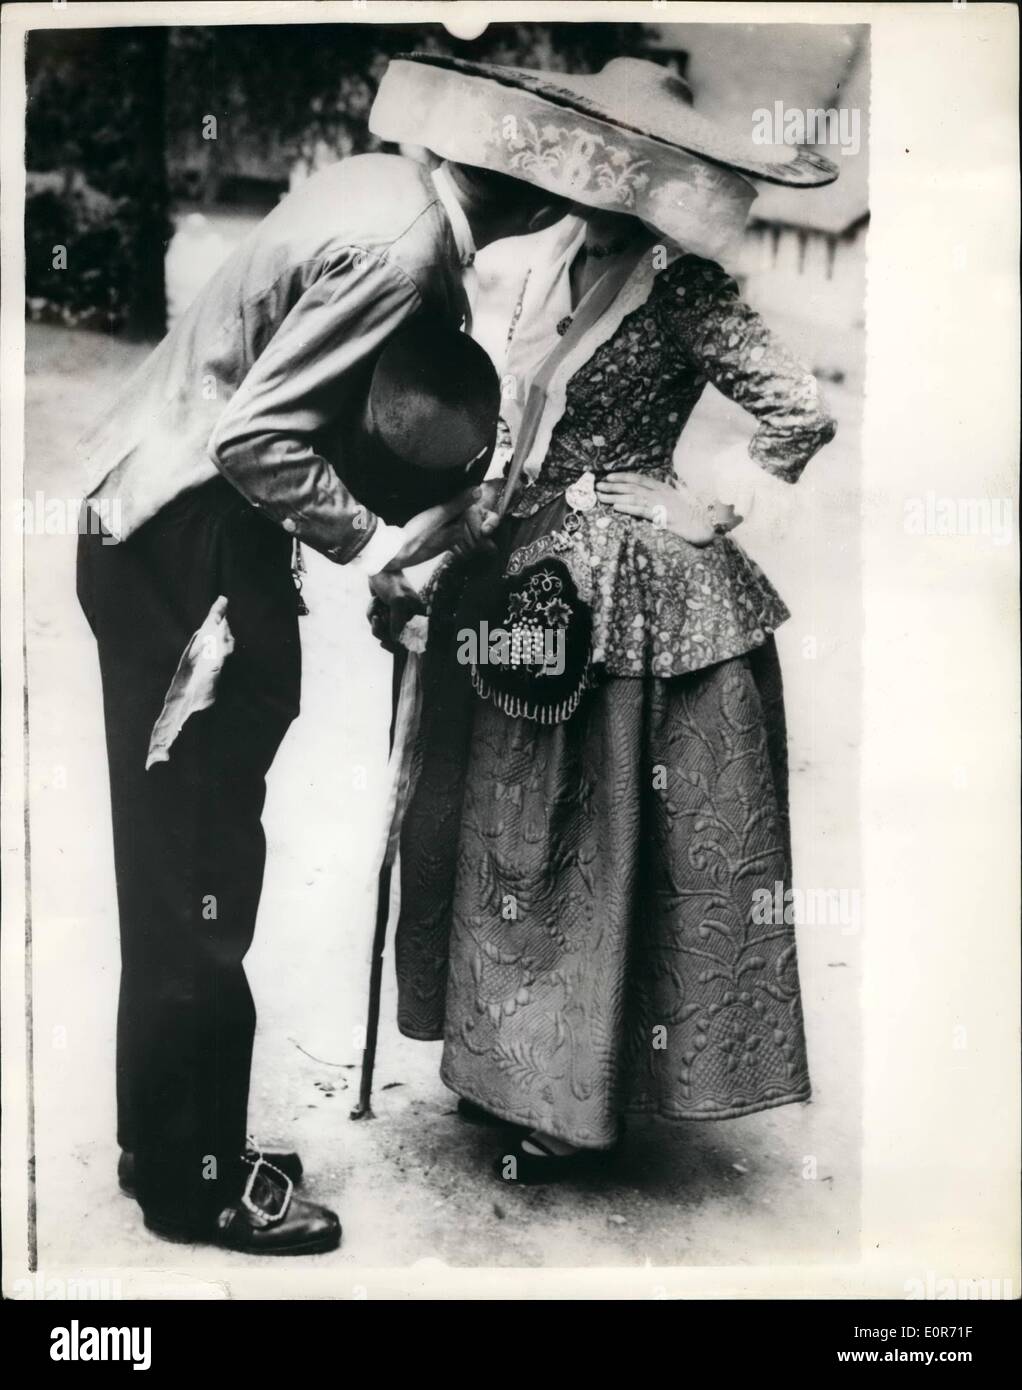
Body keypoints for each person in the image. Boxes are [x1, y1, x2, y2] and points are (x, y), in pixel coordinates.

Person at [75, 54, 569, 1253]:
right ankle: (197, 1182)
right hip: (193, 551)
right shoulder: (405, 254)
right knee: (201, 874)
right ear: (525, 195)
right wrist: (377, 542)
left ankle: (164, 1140)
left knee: (175, 862)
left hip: (149, 526)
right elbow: (258, 437)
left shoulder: (376, 185)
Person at [376, 55, 840, 1181]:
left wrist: (703, 504)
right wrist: (422, 549)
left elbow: (800, 409)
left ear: (654, 174)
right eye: (587, 150)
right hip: (525, 570)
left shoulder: (682, 288)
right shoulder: (544, 265)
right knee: (513, 830)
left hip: (631, 594)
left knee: (602, 840)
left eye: (620, 159)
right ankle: (508, 1066)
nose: (596, 173)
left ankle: (578, 1093)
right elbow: (511, 431)